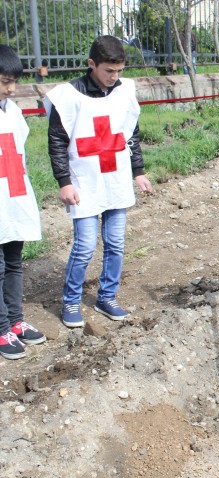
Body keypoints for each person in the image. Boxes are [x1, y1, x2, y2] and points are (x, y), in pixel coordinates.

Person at [44, 35, 154, 328]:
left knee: (116, 243)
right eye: (109, 71)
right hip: (84, 182)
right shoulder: (67, 97)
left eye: (119, 71)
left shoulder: (124, 90)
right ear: (91, 64)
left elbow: (130, 133)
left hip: (115, 179)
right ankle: (70, 300)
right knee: (84, 246)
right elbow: (56, 141)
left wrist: (138, 171)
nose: (115, 77)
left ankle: (107, 296)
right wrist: (64, 181)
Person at [0, 45, 47, 359]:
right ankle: (1, 327)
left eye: (14, 81)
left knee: (15, 263)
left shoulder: (12, 110)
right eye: (5, 81)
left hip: (13, 196)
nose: (12, 88)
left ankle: (15, 321)